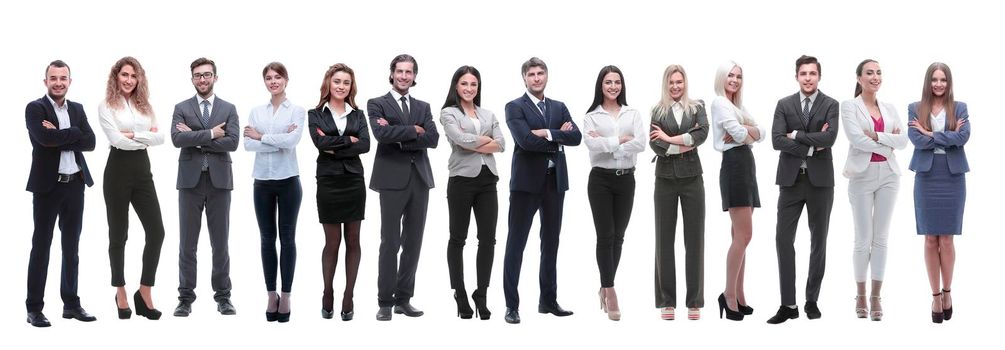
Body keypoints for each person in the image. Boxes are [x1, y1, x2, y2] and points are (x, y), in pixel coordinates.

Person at [502, 57, 582, 324]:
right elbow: (524, 141)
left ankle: (548, 301)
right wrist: (559, 135)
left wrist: (547, 132)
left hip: (554, 182)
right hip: (525, 185)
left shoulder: (559, 107)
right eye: (531, 74)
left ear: (546, 76)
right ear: (524, 78)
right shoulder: (515, 107)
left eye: (541, 73)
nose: (537, 78)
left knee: (551, 243)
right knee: (516, 244)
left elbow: (577, 137)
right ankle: (511, 306)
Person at [766, 55, 839, 324]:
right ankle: (788, 304)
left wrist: (794, 135)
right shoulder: (783, 104)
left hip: (821, 183)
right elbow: (775, 140)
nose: (808, 78)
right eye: (803, 73)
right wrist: (811, 145)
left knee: (818, 241)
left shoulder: (831, 104)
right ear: (796, 76)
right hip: (790, 181)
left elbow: (830, 138)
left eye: (812, 73)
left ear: (819, 76)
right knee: (783, 240)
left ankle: (811, 300)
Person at [25, 60, 97, 327]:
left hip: (75, 184)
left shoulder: (77, 109)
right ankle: (34, 308)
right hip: (48, 187)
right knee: (41, 248)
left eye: (63, 78)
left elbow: (90, 142)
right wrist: (72, 134)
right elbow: (44, 139)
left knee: (72, 248)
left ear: (70, 81)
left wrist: (62, 134)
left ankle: (71, 304)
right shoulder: (35, 108)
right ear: (46, 81)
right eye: (53, 78)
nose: (58, 82)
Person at [367, 54, 439, 321]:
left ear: (414, 76)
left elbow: (433, 139)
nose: (404, 76)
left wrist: (404, 132)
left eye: (409, 72)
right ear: (392, 73)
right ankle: (385, 301)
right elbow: (381, 135)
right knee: (390, 242)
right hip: (391, 180)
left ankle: (403, 299)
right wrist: (415, 131)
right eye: (400, 71)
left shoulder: (423, 106)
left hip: (419, 179)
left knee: (413, 242)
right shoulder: (377, 103)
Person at [170, 57, 241, 317]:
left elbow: (233, 142)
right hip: (190, 182)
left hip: (220, 182)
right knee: (187, 244)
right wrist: (212, 134)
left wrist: (195, 138)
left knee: (220, 243)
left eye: (207, 75)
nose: (202, 79)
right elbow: (177, 139)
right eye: (198, 75)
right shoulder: (181, 107)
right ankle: (185, 298)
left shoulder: (229, 108)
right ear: (192, 79)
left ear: (215, 77)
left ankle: (223, 296)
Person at [98, 56, 166, 320]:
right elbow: (116, 140)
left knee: (157, 231)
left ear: (139, 79)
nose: (128, 80)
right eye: (124, 75)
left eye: (133, 76)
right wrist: (140, 138)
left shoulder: (145, 106)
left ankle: (145, 290)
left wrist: (131, 136)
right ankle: (120, 290)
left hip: (142, 171)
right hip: (117, 170)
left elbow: (160, 138)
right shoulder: (106, 106)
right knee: (119, 235)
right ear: (116, 76)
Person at [840, 59, 907, 322]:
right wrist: (890, 143)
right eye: (869, 73)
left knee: (881, 238)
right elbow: (856, 139)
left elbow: (903, 141)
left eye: (879, 72)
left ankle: (877, 297)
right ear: (859, 78)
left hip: (889, 175)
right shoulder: (849, 106)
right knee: (862, 239)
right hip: (862, 176)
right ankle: (860, 294)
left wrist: (878, 137)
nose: (875, 77)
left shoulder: (889, 108)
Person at [439, 66, 505, 320]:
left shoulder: (488, 113)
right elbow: (458, 140)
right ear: (456, 85)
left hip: (488, 180)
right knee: (458, 238)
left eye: (474, 85)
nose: (469, 89)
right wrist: (486, 142)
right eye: (464, 84)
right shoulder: (448, 112)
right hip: (461, 181)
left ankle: (482, 293)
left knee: (488, 240)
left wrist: (475, 142)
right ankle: (460, 292)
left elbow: (502, 144)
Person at [582, 65, 646, 321]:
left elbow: (641, 143)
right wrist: (622, 140)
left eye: (617, 82)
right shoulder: (591, 117)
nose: (613, 86)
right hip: (600, 181)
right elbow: (591, 144)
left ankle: (605, 285)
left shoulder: (633, 113)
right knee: (605, 235)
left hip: (626, 180)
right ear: (601, 85)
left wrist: (608, 143)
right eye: (608, 82)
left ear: (622, 85)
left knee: (618, 237)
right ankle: (610, 290)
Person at [907, 62, 969, 324]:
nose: (939, 84)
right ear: (928, 81)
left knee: (947, 240)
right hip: (926, 177)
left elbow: (964, 137)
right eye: (935, 79)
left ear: (949, 82)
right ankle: (934, 296)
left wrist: (930, 132)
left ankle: (947, 292)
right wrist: (946, 135)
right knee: (930, 239)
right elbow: (916, 140)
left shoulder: (960, 107)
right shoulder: (915, 108)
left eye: (943, 79)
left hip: (952, 177)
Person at [244, 62, 306, 322]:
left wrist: (262, 137)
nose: (273, 81)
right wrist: (269, 138)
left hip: (289, 180)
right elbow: (247, 144)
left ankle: (286, 294)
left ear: (286, 80)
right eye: (268, 78)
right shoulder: (257, 111)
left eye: (277, 77)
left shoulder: (298, 111)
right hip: (262, 182)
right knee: (267, 239)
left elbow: (292, 142)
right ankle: (271, 294)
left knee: (288, 239)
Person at [309, 63, 370, 321]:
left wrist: (334, 145)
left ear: (350, 87)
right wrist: (349, 141)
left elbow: (366, 145)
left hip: (354, 181)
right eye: (337, 81)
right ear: (328, 84)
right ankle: (327, 292)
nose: (341, 86)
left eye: (346, 82)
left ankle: (349, 295)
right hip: (329, 182)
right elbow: (319, 143)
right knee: (332, 242)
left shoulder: (358, 114)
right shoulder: (315, 114)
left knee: (353, 240)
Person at [648, 64, 708, 321]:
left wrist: (670, 138)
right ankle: (666, 300)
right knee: (664, 239)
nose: (675, 86)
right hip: (665, 180)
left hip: (693, 179)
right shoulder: (657, 110)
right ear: (666, 83)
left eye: (679, 82)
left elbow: (702, 133)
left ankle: (694, 300)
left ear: (685, 83)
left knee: (694, 240)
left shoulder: (697, 107)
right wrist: (685, 143)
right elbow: (654, 143)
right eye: (671, 82)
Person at [710, 60, 765, 321]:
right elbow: (736, 133)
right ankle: (728, 295)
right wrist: (748, 132)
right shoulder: (720, 102)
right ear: (722, 77)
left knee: (740, 236)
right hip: (735, 166)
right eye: (730, 75)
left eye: (738, 76)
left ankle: (739, 294)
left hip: (746, 165)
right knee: (744, 235)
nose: (734, 79)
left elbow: (761, 132)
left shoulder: (736, 106)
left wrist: (749, 132)